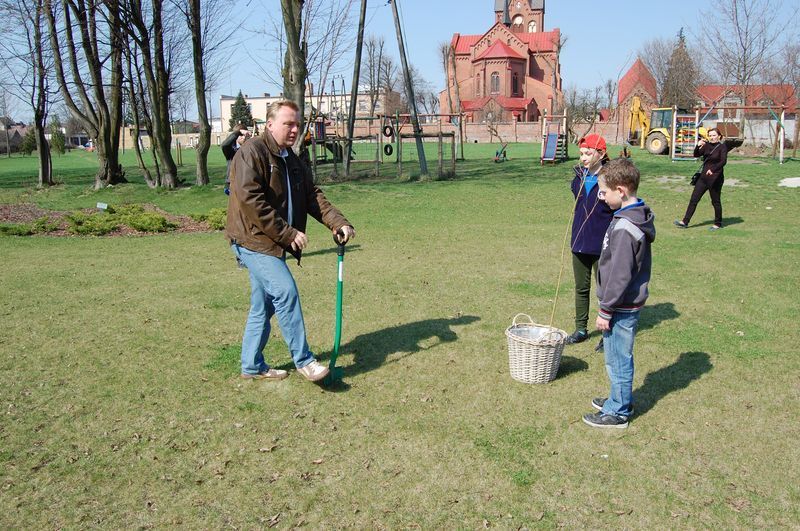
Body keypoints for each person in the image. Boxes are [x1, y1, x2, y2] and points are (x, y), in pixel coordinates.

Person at [225, 100, 355, 381]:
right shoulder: (251, 153)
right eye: (288, 124)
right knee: (285, 292)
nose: (295, 129)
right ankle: (305, 360)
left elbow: (313, 197)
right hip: (252, 240)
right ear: (270, 124)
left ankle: (251, 365)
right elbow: (251, 201)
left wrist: (338, 222)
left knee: (264, 304)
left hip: (272, 241)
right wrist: (288, 234)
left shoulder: (291, 159)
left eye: (297, 123)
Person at [582, 158, 655, 429]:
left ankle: (619, 411)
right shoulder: (627, 216)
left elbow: (620, 274)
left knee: (618, 358)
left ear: (621, 191)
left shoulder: (626, 227)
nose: (601, 198)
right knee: (614, 356)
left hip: (621, 306)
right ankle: (617, 398)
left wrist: (606, 310)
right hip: (620, 304)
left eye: (605, 192)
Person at [566, 134, 613, 346]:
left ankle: (607, 333)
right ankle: (581, 329)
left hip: (603, 243)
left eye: (588, 153)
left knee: (605, 289)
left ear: (601, 153)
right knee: (581, 287)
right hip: (579, 241)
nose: (583, 158)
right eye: (581, 154)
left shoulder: (612, 178)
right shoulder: (579, 176)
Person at [674, 127, 728, 231]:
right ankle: (685, 222)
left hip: (716, 178)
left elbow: (723, 161)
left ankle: (718, 223)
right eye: (710, 135)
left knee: (715, 201)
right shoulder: (706, 145)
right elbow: (696, 154)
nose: (712, 137)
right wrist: (697, 146)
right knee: (694, 199)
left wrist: (713, 169)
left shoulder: (722, 147)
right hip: (703, 178)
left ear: (719, 136)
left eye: (714, 135)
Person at [221, 124, 252, 195]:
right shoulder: (231, 151)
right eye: (241, 135)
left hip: (246, 185)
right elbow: (224, 145)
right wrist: (238, 132)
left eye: (245, 135)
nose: (243, 137)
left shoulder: (250, 149)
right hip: (232, 184)